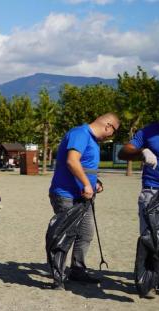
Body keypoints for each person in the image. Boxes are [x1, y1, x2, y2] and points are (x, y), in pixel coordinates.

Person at [48, 113, 119, 288]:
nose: (111, 136)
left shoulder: (92, 140)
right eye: (114, 132)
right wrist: (87, 184)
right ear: (108, 126)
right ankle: (58, 277)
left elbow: (85, 166)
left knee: (86, 233)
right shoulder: (80, 133)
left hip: (83, 196)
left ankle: (77, 270)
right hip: (66, 194)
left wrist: (95, 182)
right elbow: (72, 161)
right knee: (65, 234)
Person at [117, 119, 159, 236]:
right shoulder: (148, 131)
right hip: (153, 192)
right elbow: (123, 152)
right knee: (150, 239)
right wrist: (142, 152)